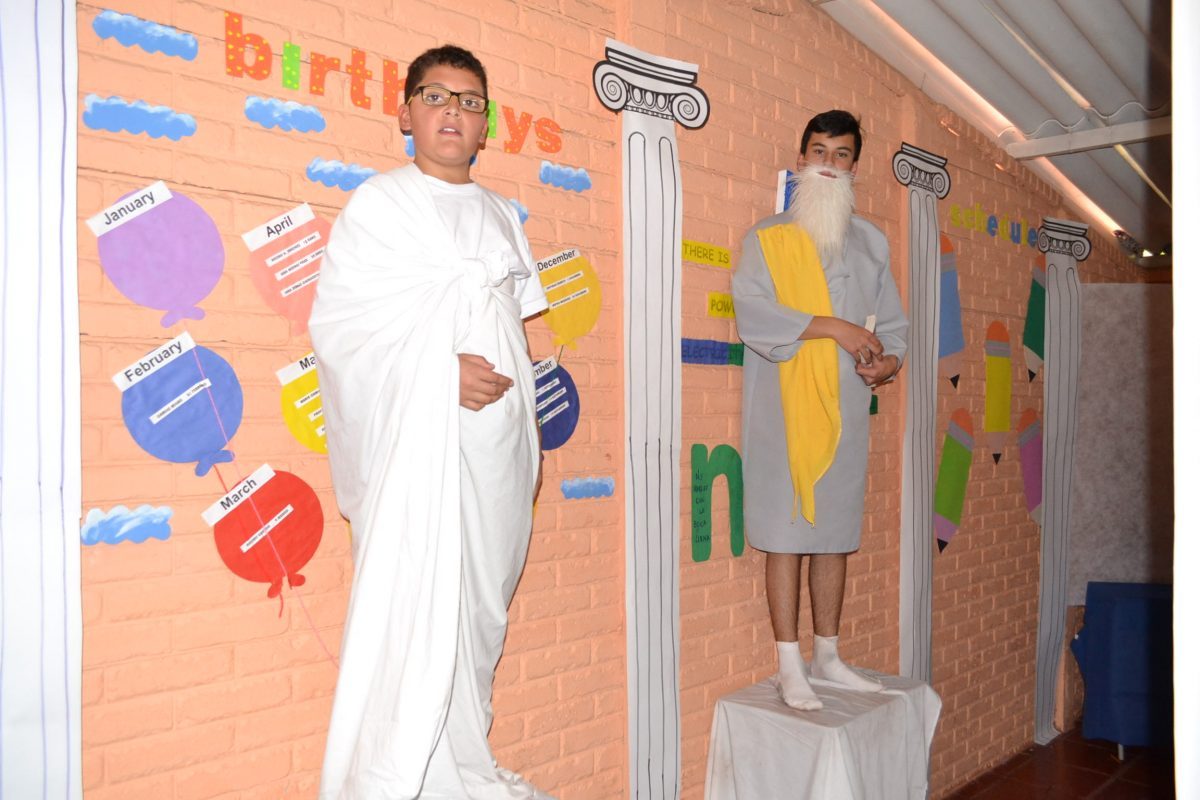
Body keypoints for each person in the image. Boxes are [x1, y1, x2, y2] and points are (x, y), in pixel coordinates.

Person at [309, 45, 553, 799]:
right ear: (406, 113)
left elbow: (515, 328)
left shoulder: (502, 215)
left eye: (471, 101)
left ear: (486, 125)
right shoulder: (379, 206)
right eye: (436, 96)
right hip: (419, 447)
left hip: (499, 445)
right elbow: (342, 334)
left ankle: (465, 759)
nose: (454, 111)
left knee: (480, 608)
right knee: (419, 602)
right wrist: (440, 374)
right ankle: (409, 772)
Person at [732, 110, 908, 711]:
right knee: (785, 536)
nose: (828, 164)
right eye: (818, 151)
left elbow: (895, 327)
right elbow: (753, 315)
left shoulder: (873, 243)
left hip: (848, 411)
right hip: (780, 412)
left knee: (833, 534)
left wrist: (888, 363)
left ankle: (827, 656)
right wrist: (834, 327)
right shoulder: (766, 238)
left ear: (854, 166)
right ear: (801, 159)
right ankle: (789, 664)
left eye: (841, 154)